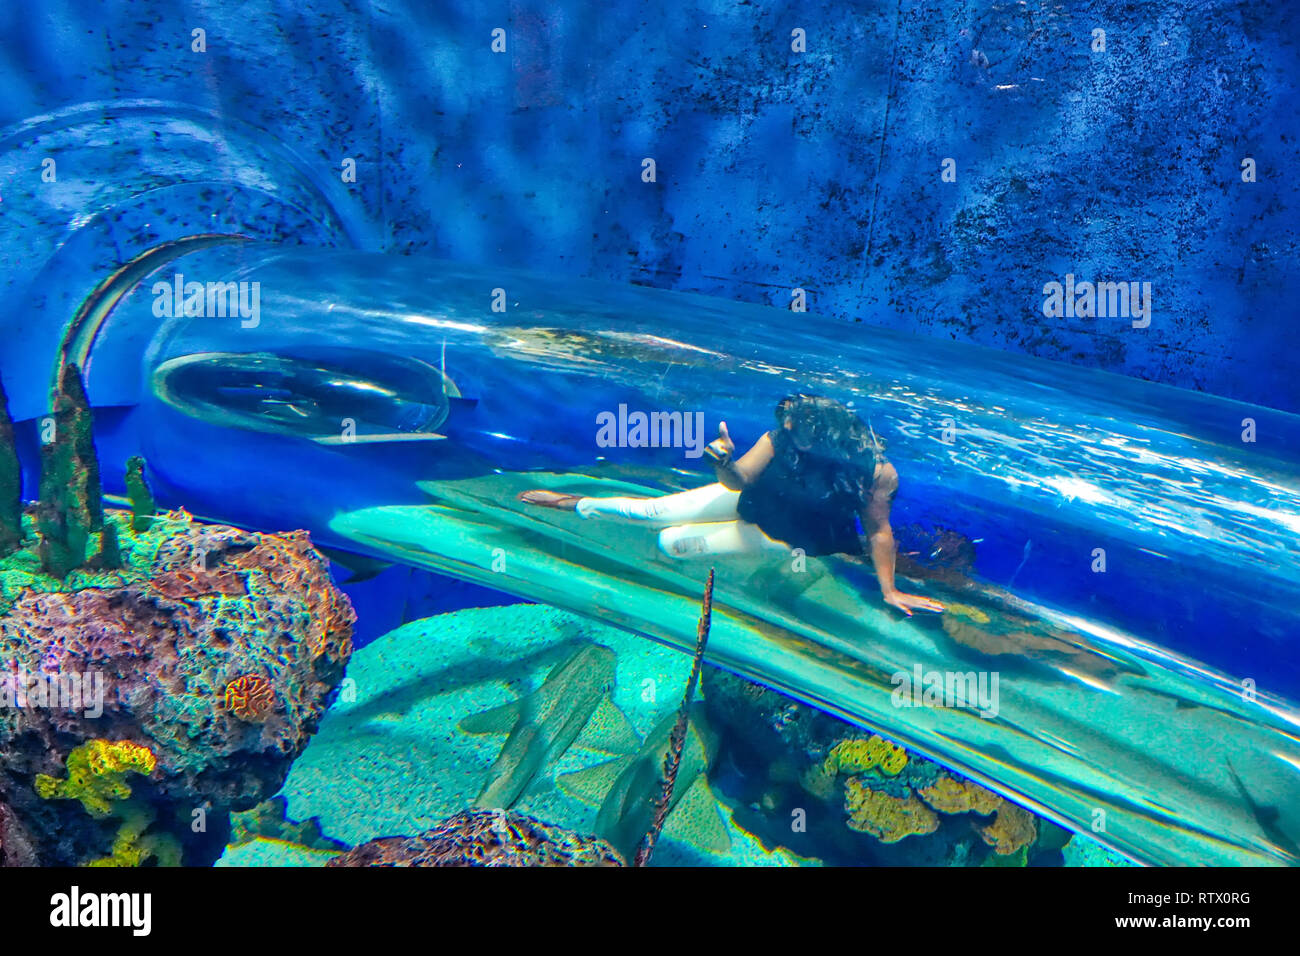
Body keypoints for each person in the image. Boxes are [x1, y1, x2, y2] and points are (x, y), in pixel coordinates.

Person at [519, 394, 944, 617]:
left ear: (826, 434)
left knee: (671, 544)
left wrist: (888, 590)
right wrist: (722, 462)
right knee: (653, 513)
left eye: (796, 425)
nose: (786, 428)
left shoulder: (874, 471)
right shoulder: (781, 438)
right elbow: (738, 479)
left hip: (787, 535)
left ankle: (748, 582)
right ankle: (576, 504)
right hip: (750, 501)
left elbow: (879, 531)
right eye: (786, 424)